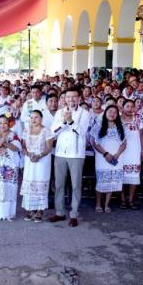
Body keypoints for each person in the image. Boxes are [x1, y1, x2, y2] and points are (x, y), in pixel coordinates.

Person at [49, 88, 91, 227]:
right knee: (59, 184)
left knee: (75, 185)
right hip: (60, 153)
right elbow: (53, 132)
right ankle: (60, 212)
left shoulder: (85, 113)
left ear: (79, 98)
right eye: (68, 97)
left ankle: (74, 214)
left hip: (76, 154)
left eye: (74, 97)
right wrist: (64, 122)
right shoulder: (59, 112)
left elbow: (83, 132)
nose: (71, 99)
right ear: (64, 99)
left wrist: (71, 121)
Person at [89, 105, 126, 213]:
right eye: (110, 111)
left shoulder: (120, 126)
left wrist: (117, 154)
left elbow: (124, 143)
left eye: (115, 112)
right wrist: (105, 154)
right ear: (105, 113)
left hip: (116, 157)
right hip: (102, 157)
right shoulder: (99, 125)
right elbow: (94, 142)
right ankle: (98, 204)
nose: (112, 113)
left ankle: (106, 204)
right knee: (101, 181)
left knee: (111, 181)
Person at [20, 110, 54, 222]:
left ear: (41, 118)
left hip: (42, 160)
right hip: (30, 160)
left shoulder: (46, 130)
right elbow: (23, 146)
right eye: (32, 117)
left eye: (36, 117)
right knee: (30, 183)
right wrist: (28, 154)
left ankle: (40, 210)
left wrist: (39, 155)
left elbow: (49, 147)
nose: (34, 120)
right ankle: (31, 209)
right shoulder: (26, 130)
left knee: (40, 183)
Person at [0, 115, 21, 220]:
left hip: (10, 167)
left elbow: (17, 148)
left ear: (9, 124)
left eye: (4, 123)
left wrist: (5, 143)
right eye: (0, 123)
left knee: (8, 189)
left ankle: (8, 214)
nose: (2, 125)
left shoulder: (13, 135)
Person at [119, 99, 143, 209]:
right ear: (122, 108)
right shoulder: (117, 120)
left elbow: (141, 136)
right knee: (121, 176)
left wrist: (142, 150)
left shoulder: (138, 119)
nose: (130, 109)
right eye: (127, 106)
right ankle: (123, 200)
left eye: (132, 106)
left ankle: (131, 200)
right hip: (121, 152)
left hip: (134, 150)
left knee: (134, 175)